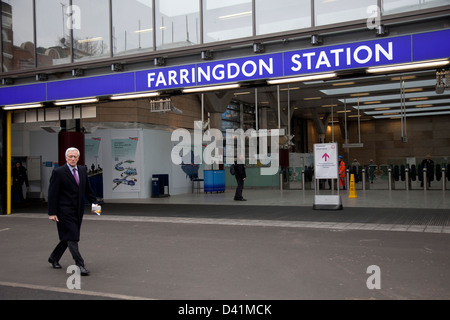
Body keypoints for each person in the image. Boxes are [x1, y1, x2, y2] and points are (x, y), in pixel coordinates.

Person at [48, 147, 98, 276]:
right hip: (64, 211)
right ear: (66, 158)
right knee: (72, 238)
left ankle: (54, 258)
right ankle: (80, 265)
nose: (72, 159)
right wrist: (52, 213)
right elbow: (52, 194)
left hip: (78, 210)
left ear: (78, 158)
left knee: (68, 237)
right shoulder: (58, 172)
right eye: (70, 156)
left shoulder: (82, 170)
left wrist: (95, 206)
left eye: (75, 156)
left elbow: (88, 189)